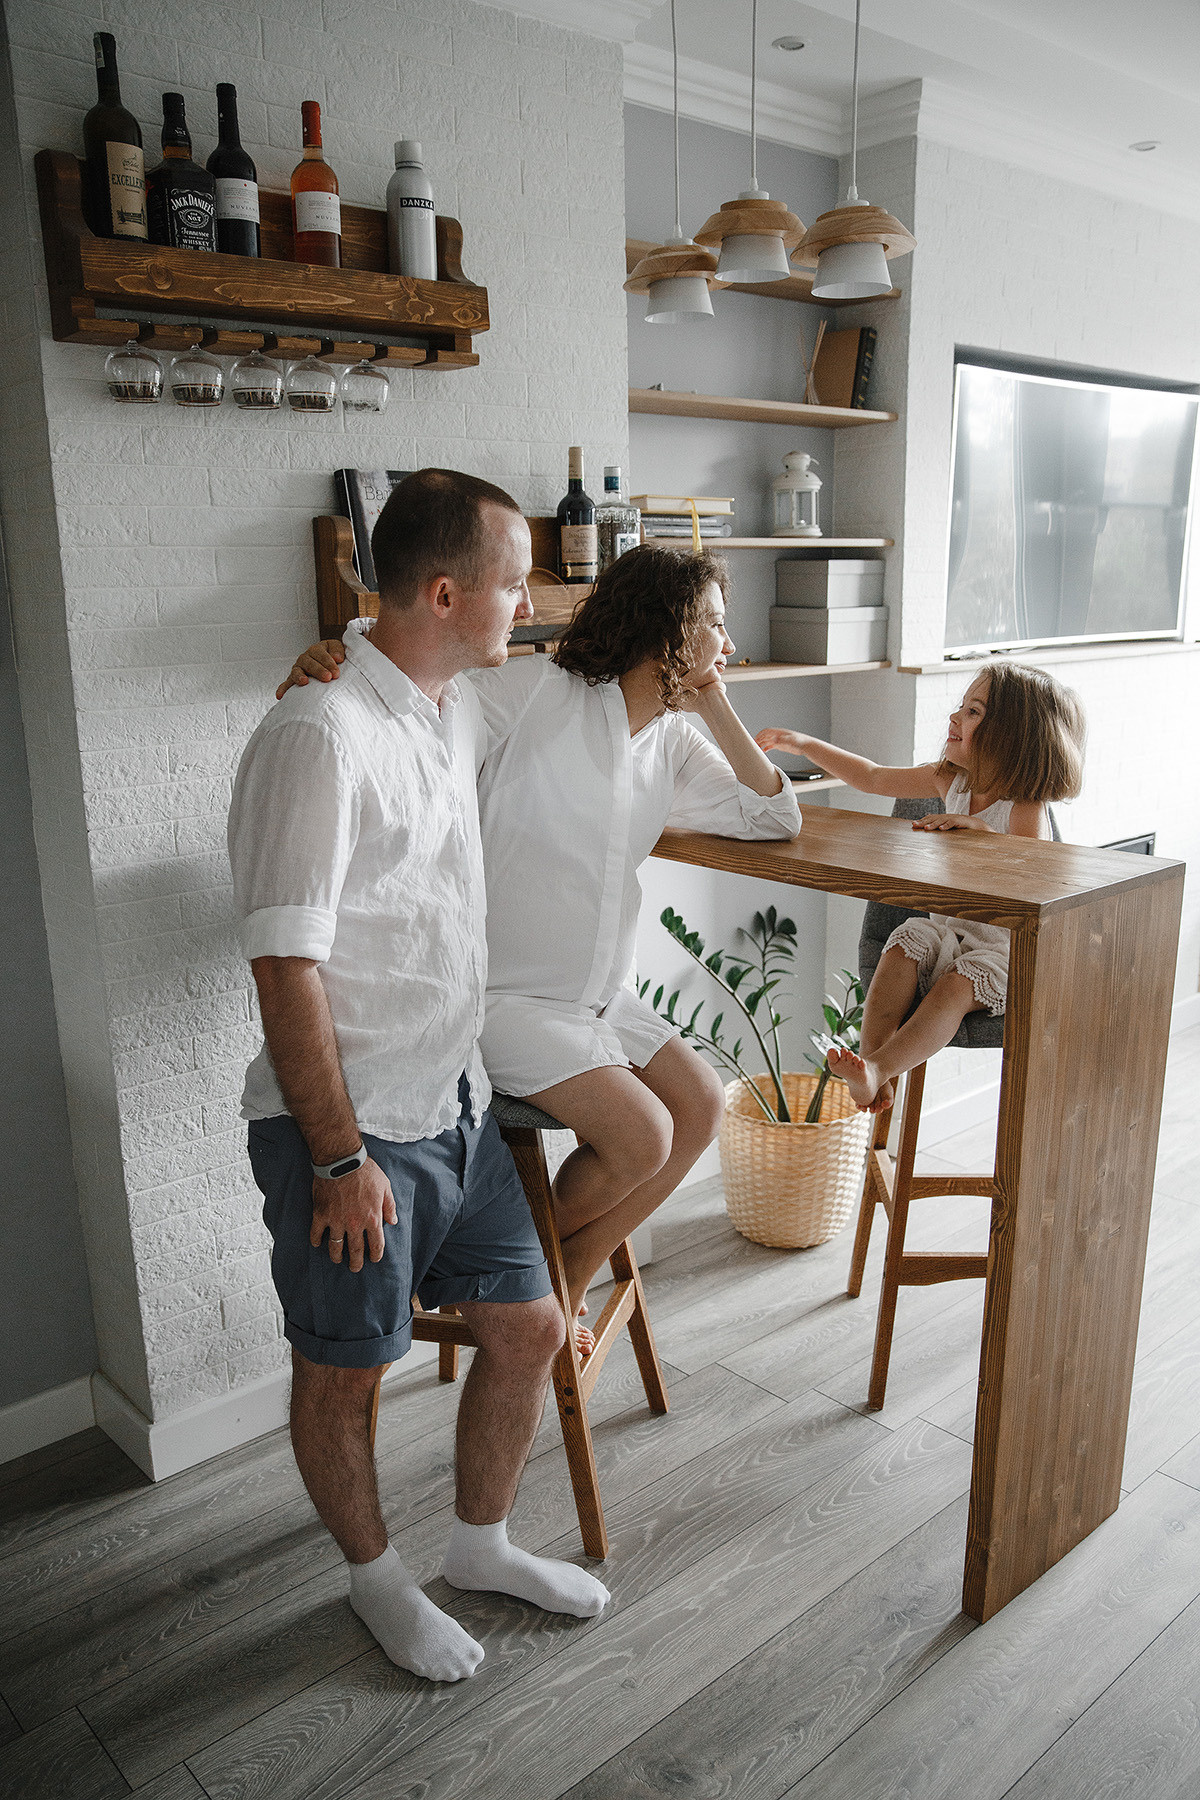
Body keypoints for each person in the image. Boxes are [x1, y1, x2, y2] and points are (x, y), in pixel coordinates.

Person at [227, 469, 610, 1689]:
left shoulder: (446, 702)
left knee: (531, 1327)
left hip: (453, 1107)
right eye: (515, 581)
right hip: (353, 1136)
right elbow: (285, 966)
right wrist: (337, 1161)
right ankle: (375, 1577)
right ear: (447, 593)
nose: (532, 602)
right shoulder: (317, 733)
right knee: (346, 1378)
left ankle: (480, 1544)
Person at [280, 541, 802, 1352]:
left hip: (598, 995)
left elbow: (776, 817)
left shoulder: (672, 740)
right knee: (645, 1137)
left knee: (701, 1107)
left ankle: (564, 1275)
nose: (727, 644)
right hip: (506, 999)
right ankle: (501, 1274)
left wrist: (713, 700)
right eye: (715, 627)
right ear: (666, 628)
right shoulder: (531, 695)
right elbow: (416, 697)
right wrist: (337, 656)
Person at [756, 662, 1085, 1115]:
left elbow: (1034, 873)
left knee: (952, 988)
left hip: (1005, 951)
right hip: (950, 932)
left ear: (1012, 735)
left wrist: (981, 835)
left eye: (974, 712)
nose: (955, 717)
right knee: (905, 941)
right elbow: (871, 777)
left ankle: (876, 1069)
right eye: (961, 706)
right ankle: (872, 1069)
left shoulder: (1024, 803)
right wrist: (804, 745)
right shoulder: (950, 780)